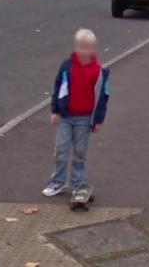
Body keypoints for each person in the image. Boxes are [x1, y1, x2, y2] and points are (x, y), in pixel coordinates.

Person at [42, 28, 110, 197]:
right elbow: (59, 87)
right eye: (81, 47)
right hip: (66, 116)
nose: (83, 51)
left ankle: (77, 183)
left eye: (87, 48)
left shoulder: (99, 72)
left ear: (93, 49)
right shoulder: (67, 66)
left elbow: (103, 97)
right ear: (75, 47)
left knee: (80, 152)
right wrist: (55, 110)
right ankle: (58, 182)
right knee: (61, 150)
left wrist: (98, 120)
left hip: (85, 118)